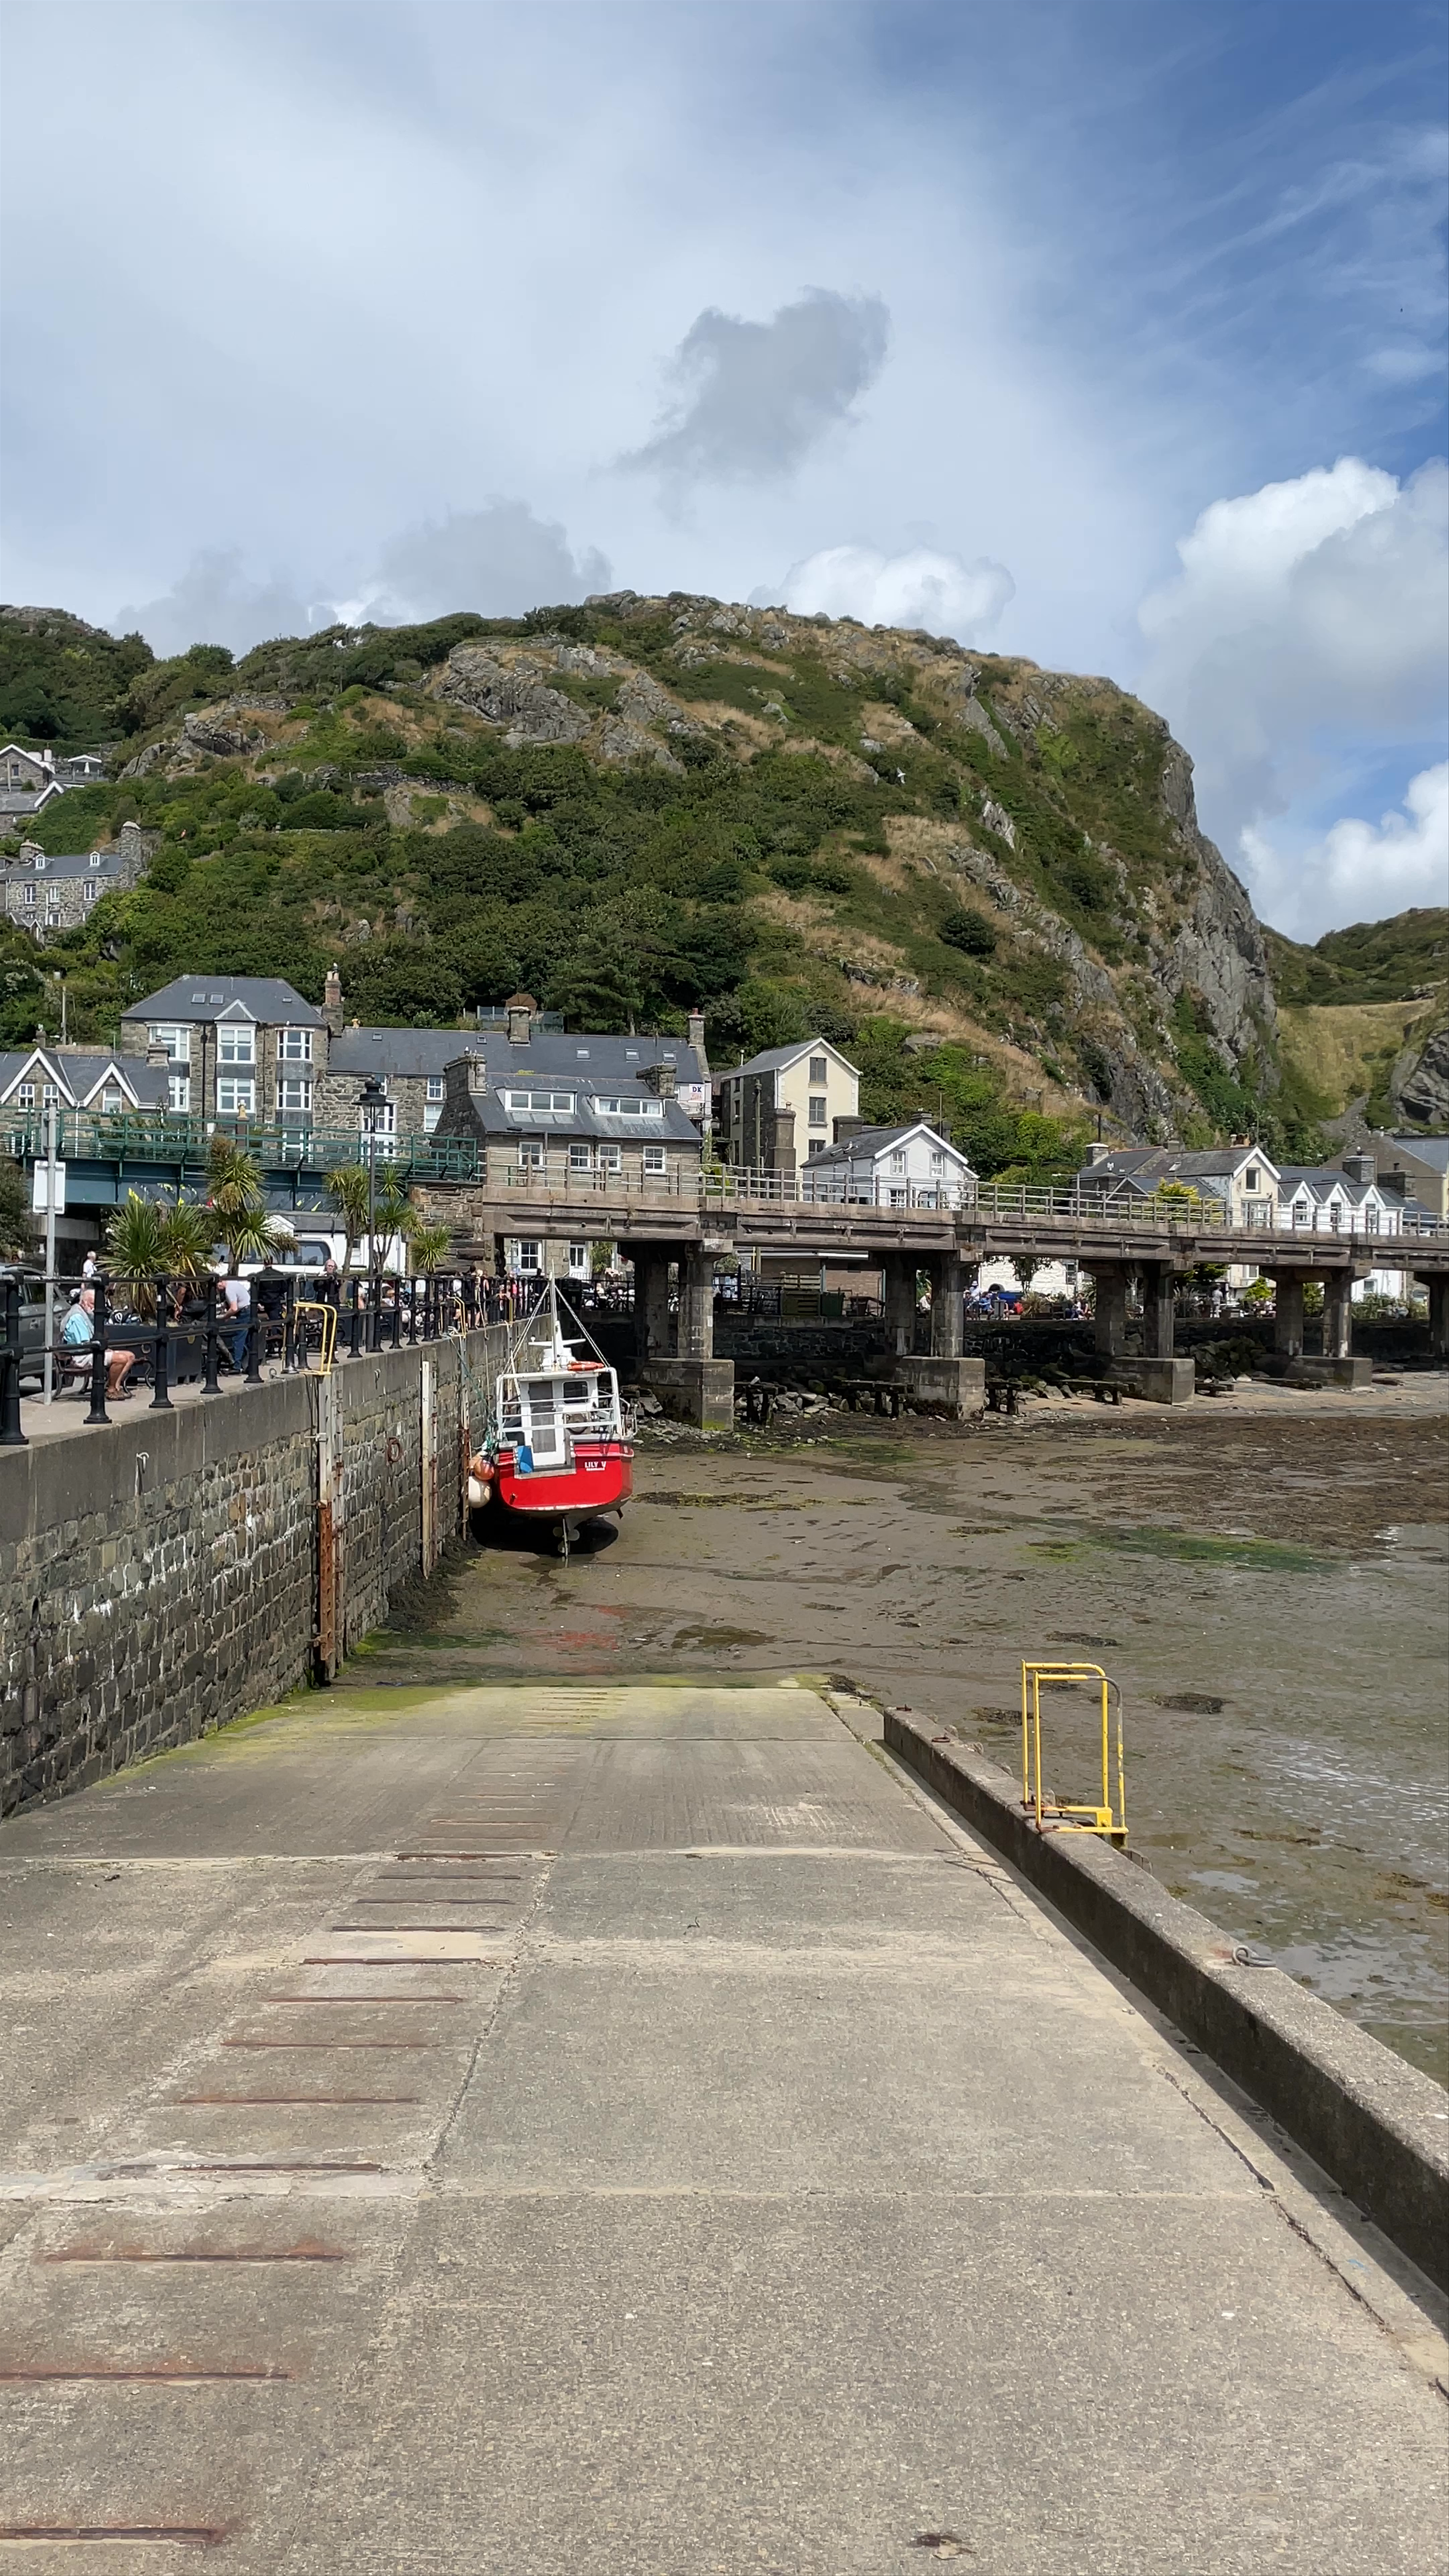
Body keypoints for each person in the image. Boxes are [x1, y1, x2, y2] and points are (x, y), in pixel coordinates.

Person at [62, 1287, 136, 1399]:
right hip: (81, 1357)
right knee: (121, 1359)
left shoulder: (87, 1315)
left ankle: (115, 1388)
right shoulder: (77, 1317)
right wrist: (102, 1350)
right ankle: (111, 1390)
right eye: (93, 1304)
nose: (95, 1308)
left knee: (130, 1356)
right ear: (84, 1303)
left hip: (91, 1352)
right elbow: (85, 1345)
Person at [219, 1267, 251, 1372]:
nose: (218, 1289)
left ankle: (236, 1366)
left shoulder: (229, 1290)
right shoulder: (233, 1283)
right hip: (249, 1309)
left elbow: (234, 1308)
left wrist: (226, 1317)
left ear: (221, 1282)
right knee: (246, 1339)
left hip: (244, 1312)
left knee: (238, 1339)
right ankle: (247, 1365)